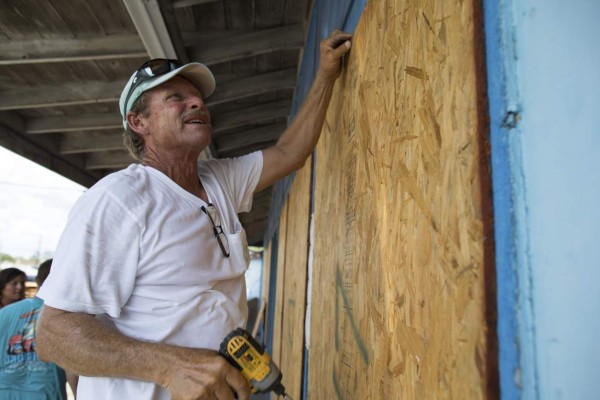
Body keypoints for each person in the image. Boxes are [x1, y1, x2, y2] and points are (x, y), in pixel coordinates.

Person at [35, 30, 352, 400]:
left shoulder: (219, 180)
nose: (197, 104)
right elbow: (53, 334)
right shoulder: (118, 199)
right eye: (176, 98)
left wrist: (326, 75)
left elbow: (289, 153)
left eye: (199, 98)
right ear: (139, 122)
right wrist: (170, 367)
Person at [0, 259, 78, 398]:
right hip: (46, 393)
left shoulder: (5, 312)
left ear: (37, 280)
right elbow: (72, 369)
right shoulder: (65, 315)